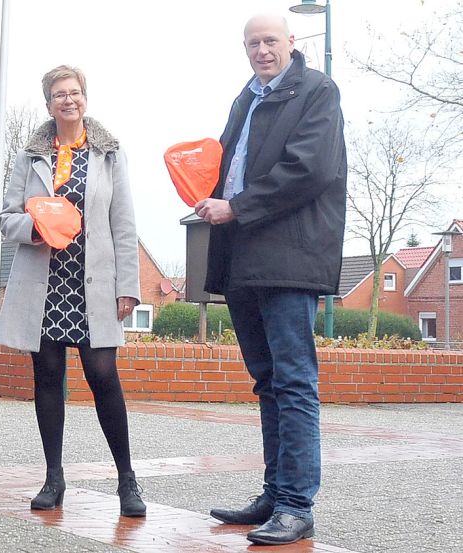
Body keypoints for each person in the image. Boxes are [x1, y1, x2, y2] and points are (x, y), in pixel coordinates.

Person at [195, 14, 346, 546]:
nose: (262, 51)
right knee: (267, 381)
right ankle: (274, 492)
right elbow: (231, 164)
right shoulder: (248, 97)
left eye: (270, 42)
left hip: (290, 257)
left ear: (292, 43)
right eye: (253, 43)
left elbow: (309, 169)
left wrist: (235, 207)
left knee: (295, 381)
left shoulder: (317, 92)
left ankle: (296, 504)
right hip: (245, 258)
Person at [0, 65, 145, 517]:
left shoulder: (109, 155)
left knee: (104, 379)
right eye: (59, 94)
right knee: (47, 379)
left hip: (92, 282)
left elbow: (124, 224)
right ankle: (53, 478)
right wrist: (35, 229)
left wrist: (129, 288)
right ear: (48, 104)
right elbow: (6, 219)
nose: (68, 100)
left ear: (85, 99)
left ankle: (127, 481)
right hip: (45, 283)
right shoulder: (29, 157)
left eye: (74, 92)